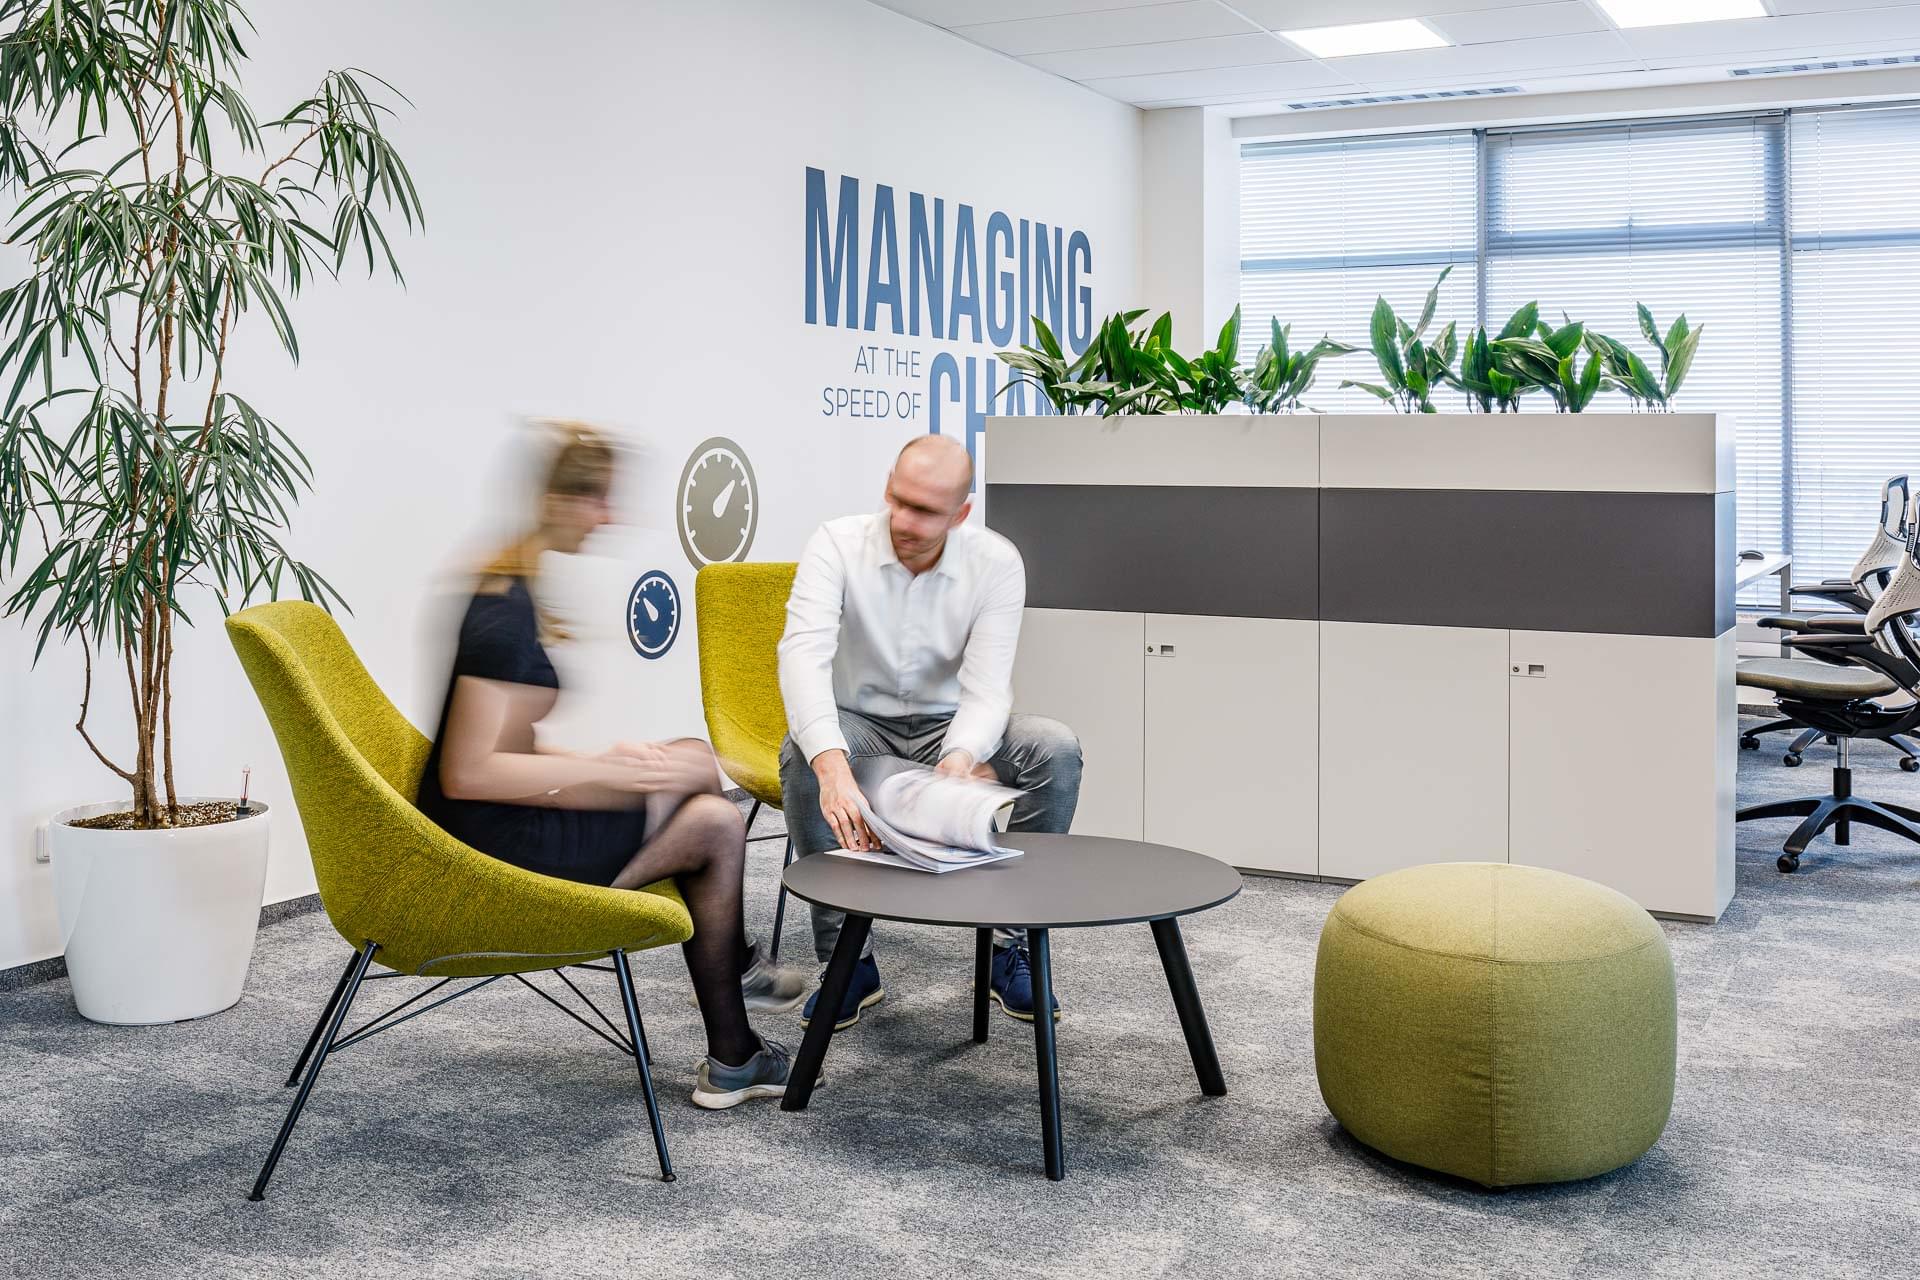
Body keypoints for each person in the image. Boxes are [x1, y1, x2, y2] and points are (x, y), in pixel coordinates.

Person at [416, 423, 809, 1109]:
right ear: (558, 501)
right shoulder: (501, 616)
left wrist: (600, 762)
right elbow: (468, 773)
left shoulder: (516, 583)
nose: (609, 516)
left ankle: (740, 997)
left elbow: (501, 752)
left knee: (691, 760)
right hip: (494, 846)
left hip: (505, 817)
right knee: (715, 823)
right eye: (597, 499)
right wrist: (601, 775)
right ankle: (735, 1043)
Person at [777, 434, 1083, 1030]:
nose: (903, 521)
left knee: (1055, 748)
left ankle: (1009, 946)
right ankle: (846, 961)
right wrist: (831, 765)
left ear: (960, 514)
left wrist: (961, 758)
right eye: (897, 499)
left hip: (949, 725)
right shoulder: (835, 543)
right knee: (804, 754)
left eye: (924, 511)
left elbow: (987, 687)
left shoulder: (996, 562)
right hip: (860, 724)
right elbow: (802, 655)